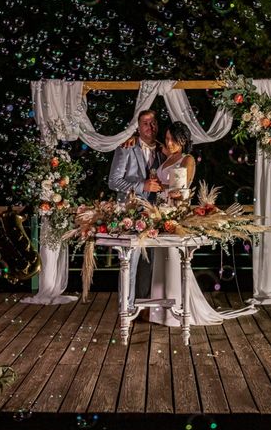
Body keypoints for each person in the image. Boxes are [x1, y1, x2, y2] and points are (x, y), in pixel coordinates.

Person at [148, 122, 255, 326]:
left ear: (183, 140)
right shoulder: (168, 156)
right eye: (167, 138)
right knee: (161, 259)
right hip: (160, 214)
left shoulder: (187, 159)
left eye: (173, 139)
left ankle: (177, 311)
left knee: (173, 258)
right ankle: (158, 312)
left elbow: (181, 188)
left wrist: (161, 187)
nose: (169, 142)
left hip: (176, 214)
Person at [108, 109, 163, 310]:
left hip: (155, 216)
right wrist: (142, 186)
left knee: (149, 265)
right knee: (129, 264)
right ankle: (126, 308)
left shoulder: (163, 151)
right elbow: (113, 182)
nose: (150, 126)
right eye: (146, 123)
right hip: (130, 215)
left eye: (153, 122)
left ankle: (144, 307)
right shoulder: (126, 148)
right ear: (138, 127)